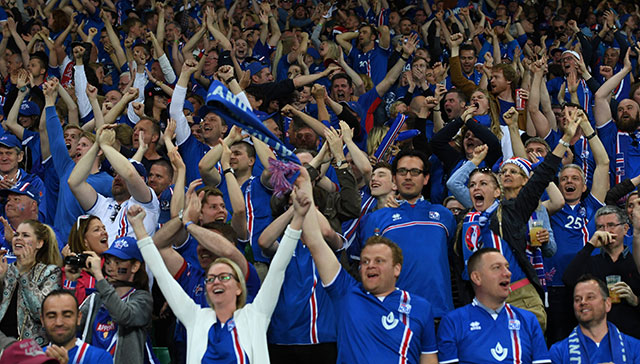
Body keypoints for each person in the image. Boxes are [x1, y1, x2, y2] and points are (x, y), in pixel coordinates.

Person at [128, 169, 306, 363]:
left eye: (224, 277)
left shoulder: (256, 314)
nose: (215, 282)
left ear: (240, 287)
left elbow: (278, 267)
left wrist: (297, 219)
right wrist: (140, 228)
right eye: (211, 279)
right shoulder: (194, 316)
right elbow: (160, 272)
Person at [301, 163, 438, 363]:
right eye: (365, 261)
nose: (370, 265)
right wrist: (305, 187)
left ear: (397, 268)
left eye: (379, 261)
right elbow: (315, 241)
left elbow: (428, 359)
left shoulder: (420, 307)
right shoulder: (346, 293)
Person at [358, 148, 456, 320]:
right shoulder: (376, 219)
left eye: (415, 172)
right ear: (394, 179)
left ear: (426, 178)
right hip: (393, 314)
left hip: (439, 313)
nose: (408, 177)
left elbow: (450, 259)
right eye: (402, 171)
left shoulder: (444, 216)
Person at [437, 248, 550, 364]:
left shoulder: (528, 320)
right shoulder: (453, 321)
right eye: (497, 267)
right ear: (477, 278)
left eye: (507, 267)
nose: (507, 273)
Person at [563, 206, 640, 338]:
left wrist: (636, 300)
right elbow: (568, 279)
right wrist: (591, 244)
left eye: (611, 225)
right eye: (600, 227)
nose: (606, 231)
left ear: (626, 229)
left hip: (634, 336)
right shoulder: (591, 261)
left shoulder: (636, 261)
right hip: (598, 337)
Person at [78, 236, 154, 364]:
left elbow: (123, 315)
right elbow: (70, 324)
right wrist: (71, 281)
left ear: (135, 266)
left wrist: (99, 277)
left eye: (118, 262)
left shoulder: (143, 299)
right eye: (108, 262)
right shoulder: (94, 299)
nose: (110, 268)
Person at [549, 275, 640, 363]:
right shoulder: (558, 352)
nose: (583, 302)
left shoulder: (635, 348)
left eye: (590, 297)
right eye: (577, 299)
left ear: (607, 304)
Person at [0, 220, 61, 346]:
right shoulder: (7, 269)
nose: (18, 239)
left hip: (30, 349)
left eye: (25, 235)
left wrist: (24, 274)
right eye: (16, 235)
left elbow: (42, 314)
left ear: (39, 243)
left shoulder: (50, 272)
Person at [41, 290, 113, 364]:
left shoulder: (100, 358)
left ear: (79, 318)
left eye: (67, 316)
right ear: (42, 320)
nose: (59, 323)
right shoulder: (33, 359)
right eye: (51, 316)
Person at [62, 215, 109, 304]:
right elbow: (70, 305)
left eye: (104, 228)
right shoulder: (71, 270)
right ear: (84, 241)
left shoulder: (112, 265)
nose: (104, 232)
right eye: (97, 230)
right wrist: (71, 276)